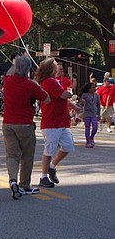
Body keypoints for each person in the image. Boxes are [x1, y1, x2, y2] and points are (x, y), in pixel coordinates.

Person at [3, 56, 50, 199]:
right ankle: (24, 184)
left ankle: (12, 180)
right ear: (28, 69)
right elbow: (46, 98)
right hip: (25, 123)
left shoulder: (8, 81)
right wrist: (38, 85)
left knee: (12, 155)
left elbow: (10, 72)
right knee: (27, 156)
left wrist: (16, 63)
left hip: (8, 123)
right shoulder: (31, 85)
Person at [35, 58, 80, 188]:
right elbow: (64, 95)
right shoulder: (49, 82)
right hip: (52, 122)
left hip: (61, 121)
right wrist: (72, 94)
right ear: (51, 69)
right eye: (56, 66)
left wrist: (74, 107)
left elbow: (61, 99)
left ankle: (52, 166)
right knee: (49, 150)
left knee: (68, 146)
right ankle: (43, 176)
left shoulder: (54, 82)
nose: (59, 68)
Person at [78, 82, 100, 148]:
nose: (94, 89)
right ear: (89, 89)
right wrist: (81, 111)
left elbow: (98, 105)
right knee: (87, 127)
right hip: (86, 113)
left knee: (95, 126)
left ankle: (91, 137)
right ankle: (88, 141)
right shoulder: (85, 95)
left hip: (94, 113)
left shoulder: (96, 95)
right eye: (93, 87)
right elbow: (80, 104)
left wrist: (99, 114)